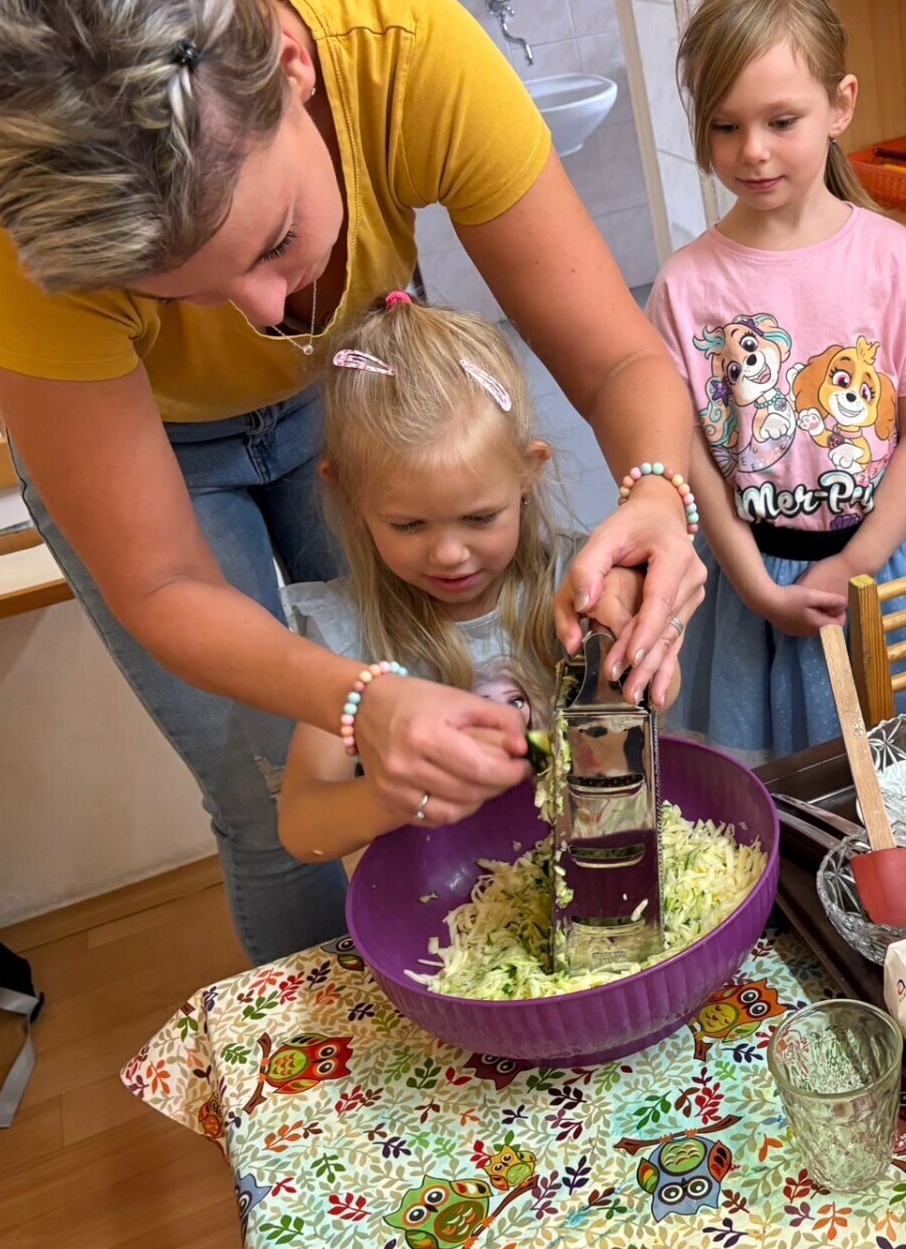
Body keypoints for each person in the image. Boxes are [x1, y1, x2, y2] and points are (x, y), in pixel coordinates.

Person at [0, 0, 706, 963]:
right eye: (175, 295)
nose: (265, 317)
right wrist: (359, 698)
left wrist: (659, 496)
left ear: (293, 64)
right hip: (158, 445)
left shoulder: (404, 46)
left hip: (360, 400)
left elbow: (619, 361)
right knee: (262, 789)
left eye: (278, 240)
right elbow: (163, 582)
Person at [648, 0, 906, 765]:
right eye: (725, 125)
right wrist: (757, 586)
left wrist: (855, 563)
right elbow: (690, 453)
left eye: (780, 121)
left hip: (882, 567)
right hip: (744, 583)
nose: (752, 151)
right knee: (778, 789)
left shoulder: (893, 259)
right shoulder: (685, 286)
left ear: (840, 105)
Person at [277, 294, 649, 859]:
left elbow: (655, 703)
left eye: (479, 518)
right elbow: (301, 827)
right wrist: (391, 794)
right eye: (408, 525)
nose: (449, 555)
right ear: (348, 493)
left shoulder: (578, 582)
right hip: (446, 887)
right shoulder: (348, 636)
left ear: (528, 473)